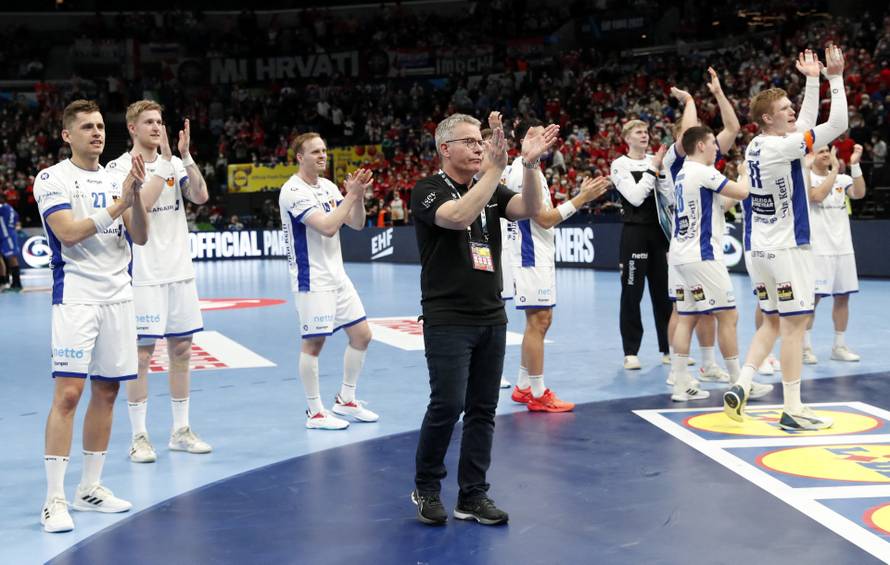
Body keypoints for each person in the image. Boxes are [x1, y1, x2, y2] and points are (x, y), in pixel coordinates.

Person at [410, 113, 557, 526]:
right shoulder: (426, 190)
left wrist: (527, 165)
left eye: (481, 141)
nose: (479, 148)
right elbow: (456, 216)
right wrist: (493, 171)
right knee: (447, 404)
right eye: (470, 142)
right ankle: (426, 487)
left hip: (491, 315)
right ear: (445, 149)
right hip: (447, 317)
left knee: (482, 409)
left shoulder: (490, 186)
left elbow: (529, 208)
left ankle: (472, 495)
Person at [34, 99, 149, 532]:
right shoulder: (52, 179)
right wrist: (121, 202)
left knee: (108, 393)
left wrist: (134, 200)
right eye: (86, 127)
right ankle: (54, 499)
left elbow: (139, 235)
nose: (97, 133)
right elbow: (68, 232)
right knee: (68, 395)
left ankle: (90, 487)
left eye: (101, 126)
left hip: (119, 297)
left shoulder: (119, 177)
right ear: (67, 135)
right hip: (76, 299)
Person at [724, 46, 849, 430]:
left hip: (758, 249)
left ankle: (742, 385)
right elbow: (836, 123)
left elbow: (804, 125)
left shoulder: (758, 146)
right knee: (795, 326)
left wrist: (810, 80)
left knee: (772, 323)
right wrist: (834, 77)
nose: (791, 111)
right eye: (784, 108)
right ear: (766, 117)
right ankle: (793, 408)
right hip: (788, 248)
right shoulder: (783, 146)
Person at [106, 100, 212, 463]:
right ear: (132, 128)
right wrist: (166, 164)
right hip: (143, 276)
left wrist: (185, 156)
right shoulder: (119, 167)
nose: (157, 127)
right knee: (142, 355)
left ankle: (180, 431)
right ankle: (139, 436)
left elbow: (200, 195)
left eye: (160, 121)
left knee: (182, 350)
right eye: (149, 122)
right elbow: (142, 205)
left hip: (179, 271)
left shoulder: (173, 162)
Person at [507, 118, 611, 412]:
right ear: (525, 140)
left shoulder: (531, 169)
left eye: (547, 137)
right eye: (540, 136)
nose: (546, 141)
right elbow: (546, 218)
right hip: (530, 255)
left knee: (542, 320)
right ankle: (537, 393)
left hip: (536, 253)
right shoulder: (524, 171)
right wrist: (582, 198)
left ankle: (523, 385)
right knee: (537, 322)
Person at [279, 132, 377, 430]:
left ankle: (346, 399)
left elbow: (357, 223)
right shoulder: (292, 191)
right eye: (315, 152)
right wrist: (351, 195)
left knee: (362, 335)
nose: (323, 156)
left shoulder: (329, 186)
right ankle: (314, 412)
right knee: (314, 344)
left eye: (324, 150)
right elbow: (328, 227)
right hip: (312, 278)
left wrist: (356, 196)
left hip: (337, 275)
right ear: (300, 157)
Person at [667, 126, 750, 401]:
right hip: (702, 255)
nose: (717, 147)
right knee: (728, 315)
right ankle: (739, 381)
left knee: (687, 317)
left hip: (680, 255)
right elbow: (742, 193)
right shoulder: (704, 172)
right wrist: (746, 173)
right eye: (713, 142)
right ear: (701, 145)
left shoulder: (683, 174)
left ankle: (680, 384)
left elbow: (722, 204)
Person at [610, 120, 674, 370]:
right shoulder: (620, 164)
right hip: (634, 233)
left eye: (646, 131)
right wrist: (653, 170)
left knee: (663, 295)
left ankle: (669, 349)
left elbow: (668, 197)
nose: (644, 135)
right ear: (627, 138)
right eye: (638, 132)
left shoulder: (654, 161)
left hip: (658, 234)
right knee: (631, 293)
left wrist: (662, 171)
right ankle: (631, 352)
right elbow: (635, 197)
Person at [804, 143, 867, 363]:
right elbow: (817, 197)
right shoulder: (807, 177)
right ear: (811, 155)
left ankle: (839, 346)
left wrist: (855, 165)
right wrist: (834, 171)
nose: (825, 154)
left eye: (827, 151)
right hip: (818, 249)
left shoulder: (842, 179)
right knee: (813, 298)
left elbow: (859, 193)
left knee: (843, 296)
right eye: (820, 151)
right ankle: (805, 348)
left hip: (843, 249)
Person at [0, 191, 23, 292]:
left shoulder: (3, 208)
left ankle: (17, 284)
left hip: (7, 235)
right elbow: (17, 220)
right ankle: (12, 283)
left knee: (12, 258)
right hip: (9, 234)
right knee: (10, 258)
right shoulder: (10, 208)